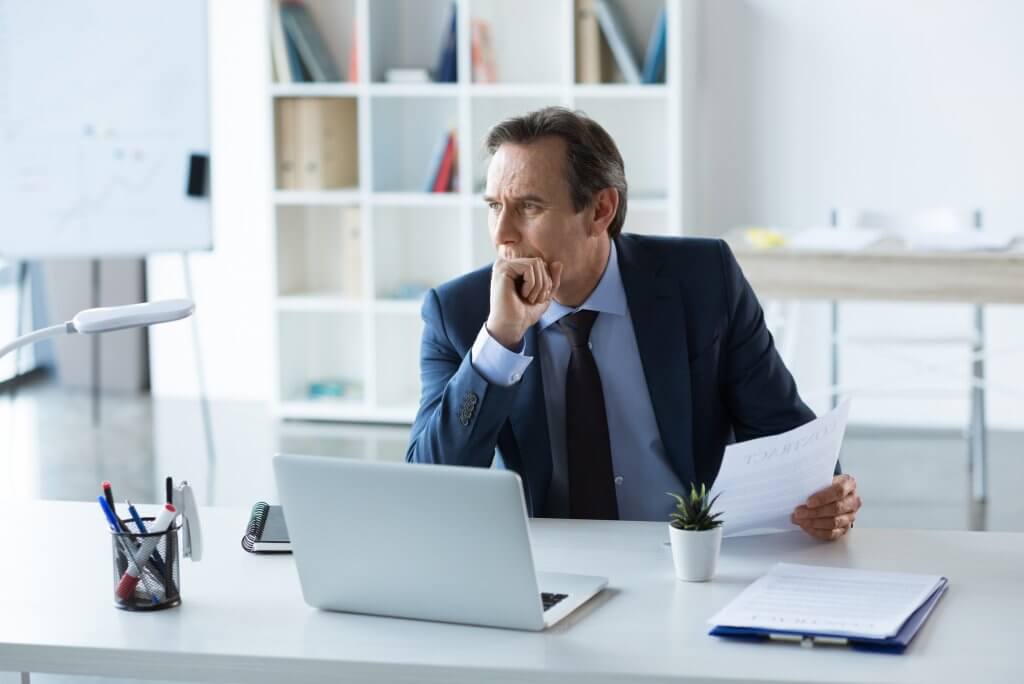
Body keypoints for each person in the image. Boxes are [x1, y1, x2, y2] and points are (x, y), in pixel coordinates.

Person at [406, 107, 861, 541]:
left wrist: (826, 494)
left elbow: (783, 431)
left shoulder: (703, 280)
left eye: (528, 207)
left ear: (601, 209)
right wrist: (499, 343)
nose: (502, 233)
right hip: (548, 564)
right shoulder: (460, 313)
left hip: (687, 552)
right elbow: (430, 485)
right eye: (493, 206)